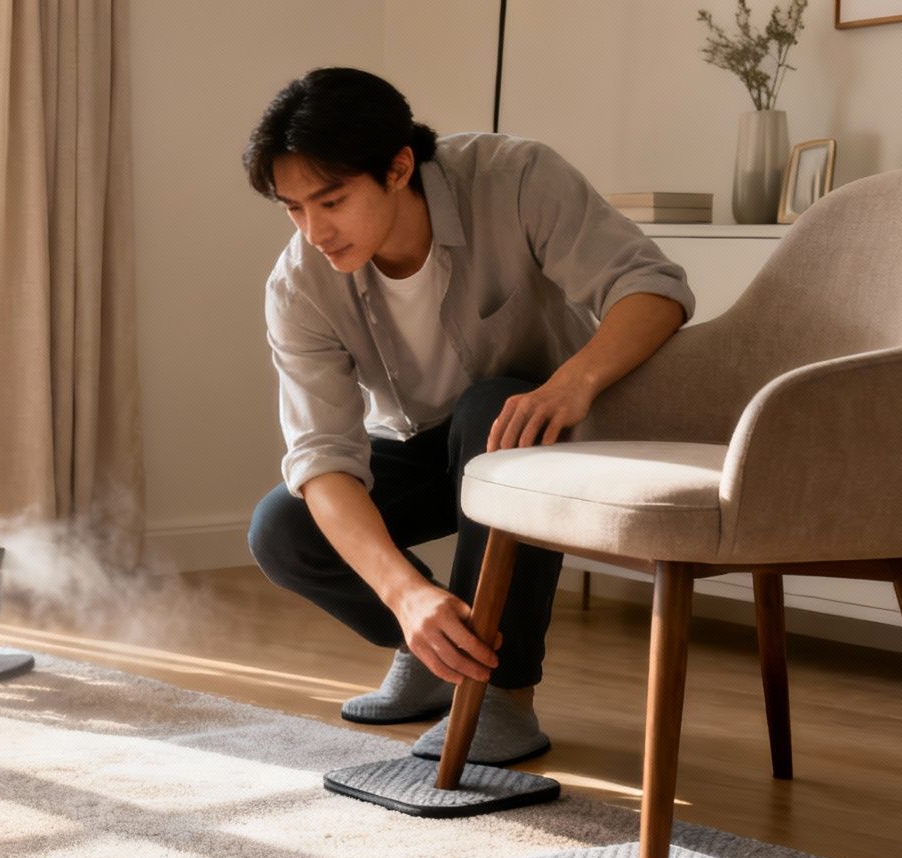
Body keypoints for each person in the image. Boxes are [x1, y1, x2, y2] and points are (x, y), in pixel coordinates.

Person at [242, 67, 694, 765]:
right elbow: (323, 458)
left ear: (398, 167)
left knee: (494, 409)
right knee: (283, 526)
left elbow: (653, 289)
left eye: (330, 200)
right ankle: (430, 654)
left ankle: (502, 696)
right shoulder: (300, 283)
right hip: (426, 441)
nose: (314, 231)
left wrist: (572, 384)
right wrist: (407, 597)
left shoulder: (515, 178)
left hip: (551, 429)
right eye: (294, 209)